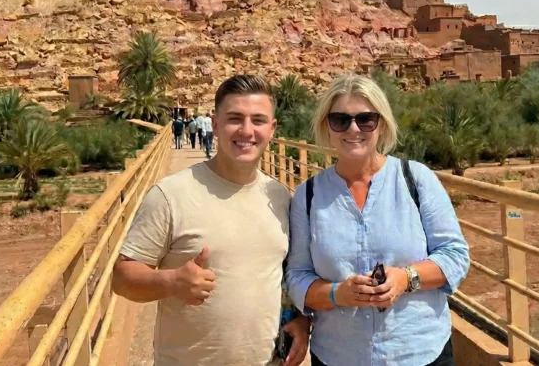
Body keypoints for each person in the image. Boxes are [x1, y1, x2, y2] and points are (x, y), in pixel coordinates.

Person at [113, 74, 309, 366]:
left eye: (257, 120)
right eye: (234, 118)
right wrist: (171, 281)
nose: (246, 130)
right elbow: (122, 277)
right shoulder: (170, 195)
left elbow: (286, 274)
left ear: (272, 128)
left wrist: (302, 321)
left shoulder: (280, 196)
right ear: (215, 124)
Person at [286, 74, 470, 366]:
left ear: (381, 124)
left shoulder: (416, 179)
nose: (353, 129)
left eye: (366, 119)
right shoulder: (308, 196)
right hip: (339, 355)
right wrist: (338, 294)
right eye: (340, 120)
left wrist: (405, 278)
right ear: (327, 127)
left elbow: (455, 255)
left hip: (418, 352)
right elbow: (297, 277)